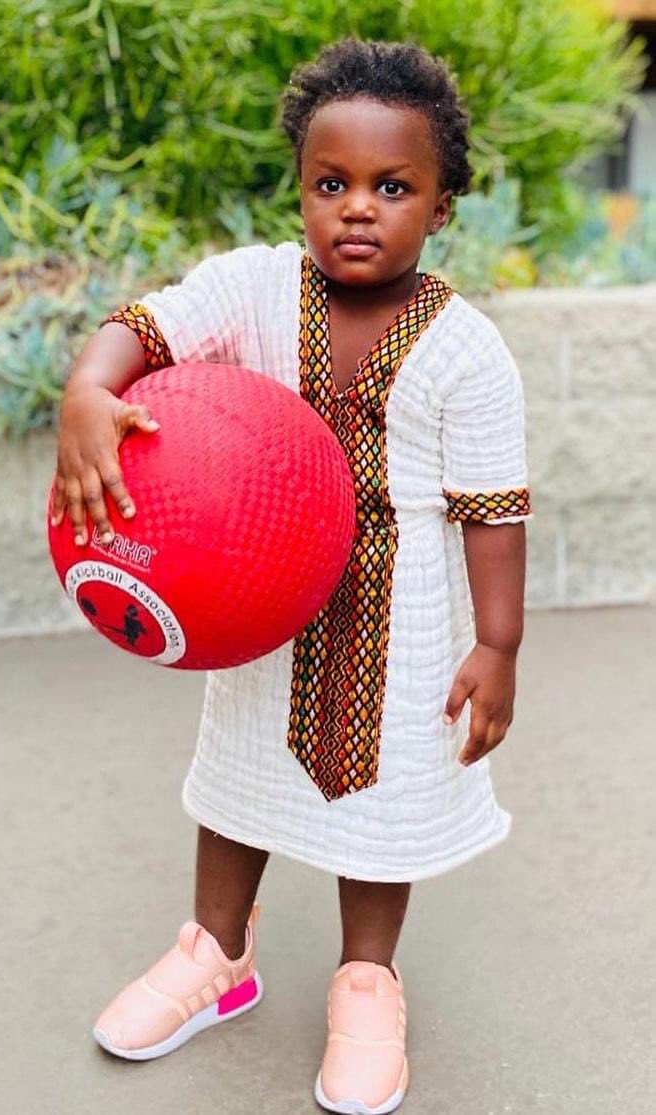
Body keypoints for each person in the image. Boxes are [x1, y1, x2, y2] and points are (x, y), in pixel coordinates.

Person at [51, 36, 532, 1114]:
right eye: (330, 183)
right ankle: (214, 953)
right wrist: (90, 387)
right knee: (237, 781)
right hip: (259, 607)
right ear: (301, 190)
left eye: (391, 186)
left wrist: (495, 644)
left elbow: (491, 509)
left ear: (442, 206)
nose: (356, 208)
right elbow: (152, 323)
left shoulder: (466, 349)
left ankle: (367, 980)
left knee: (389, 803)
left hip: (401, 624)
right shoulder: (258, 289)